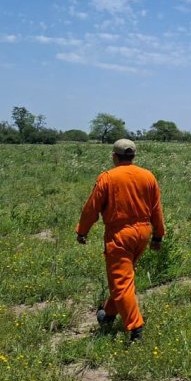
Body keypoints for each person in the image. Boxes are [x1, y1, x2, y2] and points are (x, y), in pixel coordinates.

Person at [76, 139, 166, 343]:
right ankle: (107, 316)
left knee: (122, 282)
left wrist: (82, 231)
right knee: (124, 278)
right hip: (143, 233)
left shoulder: (107, 177)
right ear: (133, 156)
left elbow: (91, 209)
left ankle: (136, 329)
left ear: (114, 156)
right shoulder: (148, 176)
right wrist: (158, 235)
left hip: (120, 235)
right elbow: (156, 209)